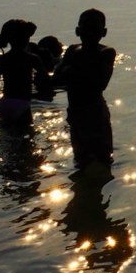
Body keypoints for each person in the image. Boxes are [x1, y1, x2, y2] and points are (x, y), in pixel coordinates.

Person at [52, 9, 117, 168]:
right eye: (86, 28)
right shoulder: (73, 50)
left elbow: (100, 84)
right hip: (76, 112)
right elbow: (55, 80)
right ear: (77, 31)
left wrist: (70, 72)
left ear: (104, 32)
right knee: (81, 159)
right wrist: (71, 73)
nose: (89, 33)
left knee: (103, 158)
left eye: (94, 29)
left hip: (95, 113)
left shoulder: (106, 52)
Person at [0, 19, 52, 126]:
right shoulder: (32, 59)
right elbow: (46, 80)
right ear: (27, 38)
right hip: (22, 104)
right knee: (27, 139)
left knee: (6, 138)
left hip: (4, 104)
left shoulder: (1, 60)